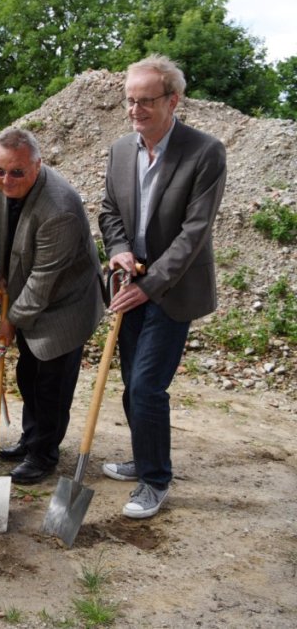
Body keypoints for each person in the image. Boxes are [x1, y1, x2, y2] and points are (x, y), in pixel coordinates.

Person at [99, 54, 227, 519]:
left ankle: (156, 480)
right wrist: (118, 250)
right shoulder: (119, 151)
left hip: (172, 291)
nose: (135, 110)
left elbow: (195, 232)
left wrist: (149, 284)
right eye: (129, 101)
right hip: (129, 282)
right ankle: (143, 457)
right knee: (133, 382)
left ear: (174, 100)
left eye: (146, 101)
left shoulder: (204, 152)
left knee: (148, 387)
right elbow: (110, 211)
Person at [0, 128, 104, 485]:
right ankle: (30, 438)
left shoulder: (59, 207)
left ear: (38, 165)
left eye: (17, 172)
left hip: (64, 303)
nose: (6, 180)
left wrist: (10, 320)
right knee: (28, 374)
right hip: (25, 291)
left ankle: (44, 454)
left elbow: (43, 279)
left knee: (52, 382)